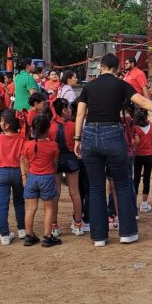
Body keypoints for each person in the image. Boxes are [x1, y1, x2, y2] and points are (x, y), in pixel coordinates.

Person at [73, 53, 152, 247]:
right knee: (121, 184)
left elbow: (80, 114)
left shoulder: (88, 86)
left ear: (101, 67)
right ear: (116, 68)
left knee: (95, 188)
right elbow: (144, 102)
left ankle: (99, 237)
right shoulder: (121, 84)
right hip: (112, 133)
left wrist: (77, 138)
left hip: (89, 134)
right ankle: (127, 233)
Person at [21, 114, 61, 247]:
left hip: (32, 177)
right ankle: (47, 236)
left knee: (31, 209)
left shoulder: (27, 145)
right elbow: (55, 164)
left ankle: (29, 235)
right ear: (48, 129)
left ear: (33, 129)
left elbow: (25, 162)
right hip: (47, 177)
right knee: (48, 209)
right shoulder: (53, 145)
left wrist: (25, 176)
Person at [0, 109, 27, 243]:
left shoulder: (0, 138)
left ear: (6, 125)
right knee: (19, 202)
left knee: (2, 204)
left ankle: (4, 235)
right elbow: (24, 157)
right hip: (18, 171)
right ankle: (22, 229)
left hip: (3, 172)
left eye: (1, 120)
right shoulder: (21, 138)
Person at [53, 98, 85, 235]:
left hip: (55, 160)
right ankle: (78, 224)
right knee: (75, 192)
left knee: (55, 193)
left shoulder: (51, 125)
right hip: (71, 158)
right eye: (69, 108)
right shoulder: (73, 125)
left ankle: (54, 225)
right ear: (64, 110)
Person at [132, 108, 152, 213]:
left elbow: (134, 142)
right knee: (146, 179)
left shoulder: (135, 128)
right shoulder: (151, 127)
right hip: (148, 155)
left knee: (136, 179)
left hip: (137, 155)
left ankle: (133, 203)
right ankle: (144, 204)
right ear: (147, 117)